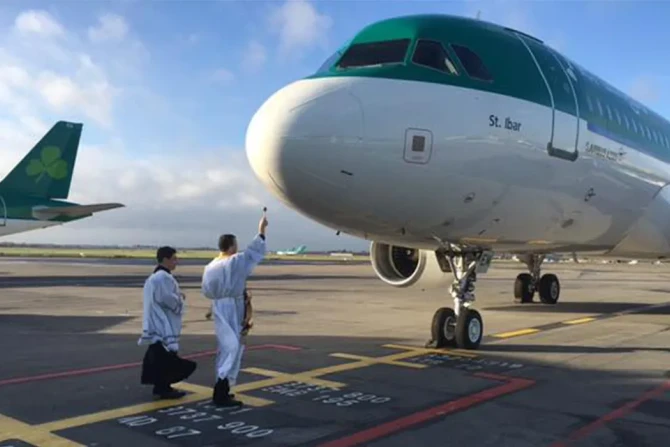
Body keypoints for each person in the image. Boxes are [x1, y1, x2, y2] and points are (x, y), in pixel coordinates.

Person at [201, 212, 268, 407]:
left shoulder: (210, 266)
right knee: (233, 346)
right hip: (233, 305)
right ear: (231, 246)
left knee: (227, 346)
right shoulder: (234, 261)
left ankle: (225, 386)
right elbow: (254, 252)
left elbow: (206, 290)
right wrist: (261, 230)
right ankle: (221, 389)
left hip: (219, 306)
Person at [138, 246, 197, 399]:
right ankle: (163, 387)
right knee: (165, 354)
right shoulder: (163, 277)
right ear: (165, 259)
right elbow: (167, 299)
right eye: (174, 259)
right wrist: (180, 299)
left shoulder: (154, 277)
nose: (176, 262)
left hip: (156, 319)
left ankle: (161, 385)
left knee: (158, 354)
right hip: (163, 321)